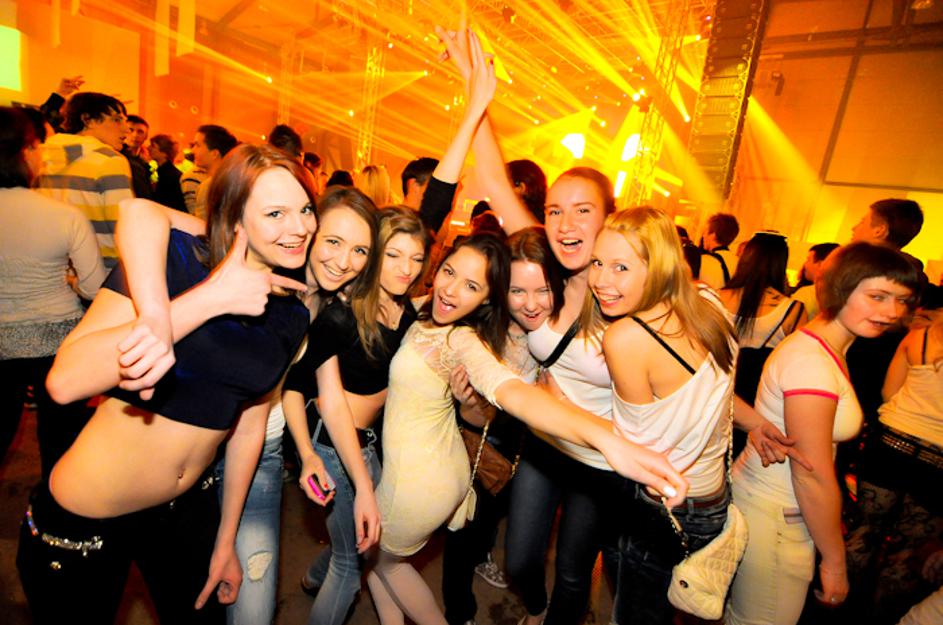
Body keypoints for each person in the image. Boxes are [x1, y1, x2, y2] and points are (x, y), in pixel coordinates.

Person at [16, 143, 314, 625]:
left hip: (186, 512)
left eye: (305, 209)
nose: (298, 227)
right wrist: (202, 302)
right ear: (235, 216)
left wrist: (226, 542)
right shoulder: (175, 262)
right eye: (275, 213)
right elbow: (65, 383)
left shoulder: (291, 313)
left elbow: (248, 428)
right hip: (88, 518)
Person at [116, 183, 379, 625]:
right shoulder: (250, 257)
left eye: (360, 251)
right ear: (309, 230)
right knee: (187, 591)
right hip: (185, 445)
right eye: (333, 241)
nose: (344, 261)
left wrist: (358, 486)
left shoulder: (326, 310)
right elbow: (141, 212)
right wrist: (155, 315)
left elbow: (325, 396)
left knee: (252, 607)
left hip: (260, 456)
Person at [727, 242, 921, 625]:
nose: (891, 312)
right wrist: (834, 560)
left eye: (901, 300)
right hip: (778, 515)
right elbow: (811, 473)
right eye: (877, 296)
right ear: (840, 287)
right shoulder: (811, 364)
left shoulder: (823, 348)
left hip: (773, 506)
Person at [585, 206, 738, 624]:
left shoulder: (626, 337)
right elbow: (713, 396)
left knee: (634, 616)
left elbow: (634, 448)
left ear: (660, 267)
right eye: (597, 263)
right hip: (712, 499)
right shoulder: (710, 303)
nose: (601, 280)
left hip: (662, 506)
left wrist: (556, 404)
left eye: (621, 267)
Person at [284, 206, 430, 625]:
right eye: (394, 255)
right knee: (351, 567)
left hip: (369, 444)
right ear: (375, 255)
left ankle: (312, 578)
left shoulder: (405, 311)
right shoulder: (341, 316)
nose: (406, 269)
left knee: (359, 540)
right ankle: (321, 580)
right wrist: (306, 455)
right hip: (333, 445)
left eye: (416, 258)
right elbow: (295, 386)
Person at [442, 226, 565, 625]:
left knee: (502, 529)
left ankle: (487, 558)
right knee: (465, 529)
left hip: (536, 448)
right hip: (482, 438)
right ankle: (460, 613)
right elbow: (467, 413)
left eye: (543, 290)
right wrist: (471, 406)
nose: (530, 304)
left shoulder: (564, 330)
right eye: (517, 291)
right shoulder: (482, 327)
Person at [0, 107, 106, 474]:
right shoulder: (63, 215)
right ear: (24, 151)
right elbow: (94, 287)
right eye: (38, 145)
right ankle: (52, 504)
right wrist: (69, 280)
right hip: (55, 340)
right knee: (60, 439)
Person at [844, 314, 943, 623]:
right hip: (937, 461)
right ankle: (879, 619)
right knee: (909, 552)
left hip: (891, 444)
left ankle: (836, 607)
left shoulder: (920, 335)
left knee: (864, 531)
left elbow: (889, 392)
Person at [35, 92, 133, 269]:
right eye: (117, 120)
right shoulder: (110, 160)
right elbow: (123, 227)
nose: (126, 129)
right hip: (102, 269)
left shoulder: (40, 157)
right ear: (88, 120)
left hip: (52, 268)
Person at [720, 232, 807, 407]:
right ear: (781, 263)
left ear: (745, 259)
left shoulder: (715, 297)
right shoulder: (793, 310)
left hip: (711, 393)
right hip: (755, 400)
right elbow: (795, 364)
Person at [190, 124, 238, 219]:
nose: (193, 150)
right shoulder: (233, 182)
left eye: (198, 145)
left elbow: (202, 223)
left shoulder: (209, 186)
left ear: (214, 154)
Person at [792, 242, 839, 319]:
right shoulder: (840, 295)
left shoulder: (806, 294)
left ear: (821, 264)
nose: (805, 264)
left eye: (808, 259)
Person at [699, 212, 740, 290]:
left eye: (705, 232)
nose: (703, 236)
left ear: (713, 235)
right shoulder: (739, 263)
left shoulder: (703, 261)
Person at [149, 133, 187, 212]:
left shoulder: (171, 176)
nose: (149, 148)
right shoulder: (164, 173)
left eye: (153, 146)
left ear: (164, 153)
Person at [122, 114, 153, 199]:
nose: (135, 135)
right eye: (130, 130)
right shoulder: (118, 157)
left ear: (146, 136)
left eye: (140, 132)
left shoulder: (144, 162)